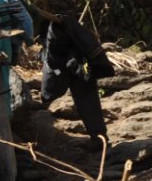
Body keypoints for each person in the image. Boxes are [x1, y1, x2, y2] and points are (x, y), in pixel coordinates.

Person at [41, 13, 115, 143]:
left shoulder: (63, 30)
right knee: (88, 99)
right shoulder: (63, 30)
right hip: (71, 64)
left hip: (75, 65)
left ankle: (99, 139)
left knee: (87, 99)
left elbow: (52, 64)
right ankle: (99, 138)